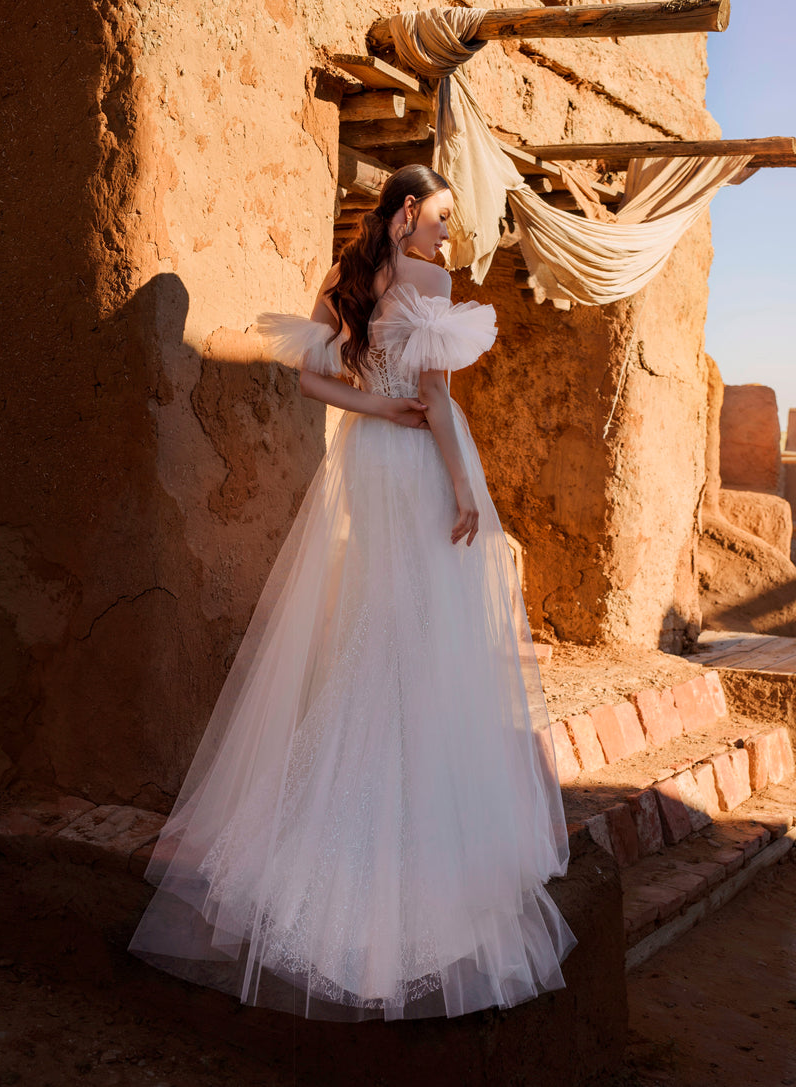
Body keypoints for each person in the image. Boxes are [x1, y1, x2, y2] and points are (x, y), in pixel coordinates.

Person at [128, 164, 576, 1021]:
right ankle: (412, 838)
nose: (448, 234)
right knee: (418, 637)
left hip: (368, 466)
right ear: (407, 213)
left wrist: (376, 411)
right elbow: (438, 402)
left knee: (381, 626)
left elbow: (312, 382)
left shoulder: (349, 276)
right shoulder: (428, 279)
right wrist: (462, 490)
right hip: (414, 471)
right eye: (441, 217)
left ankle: (350, 821)